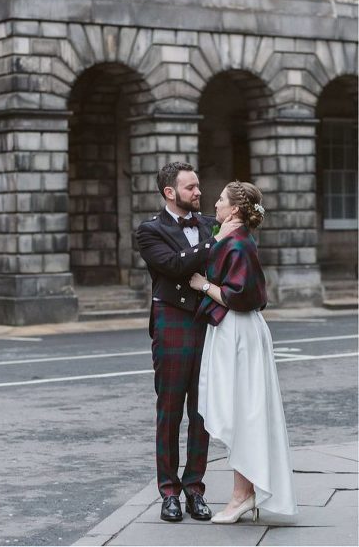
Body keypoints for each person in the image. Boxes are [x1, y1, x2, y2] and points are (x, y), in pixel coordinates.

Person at [189, 181, 298, 524]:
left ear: (234, 209)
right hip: (230, 330)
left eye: (220, 200)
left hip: (239, 330)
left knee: (244, 411)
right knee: (239, 410)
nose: (214, 204)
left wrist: (203, 285)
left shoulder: (240, 244)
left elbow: (241, 296)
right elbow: (208, 234)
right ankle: (244, 490)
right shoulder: (228, 236)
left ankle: (243, 494)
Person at [136, 161, 236, 522]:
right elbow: (176, 267)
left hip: (208, 323)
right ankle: (169, 492)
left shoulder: (210, 224)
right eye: (191, 188)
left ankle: (195, 488)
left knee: (201, 412)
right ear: (170, 192)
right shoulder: (150, 231)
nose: (199, 192)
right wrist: (216, 241)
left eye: (198, 186)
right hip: (172, 322)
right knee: (170, 410)